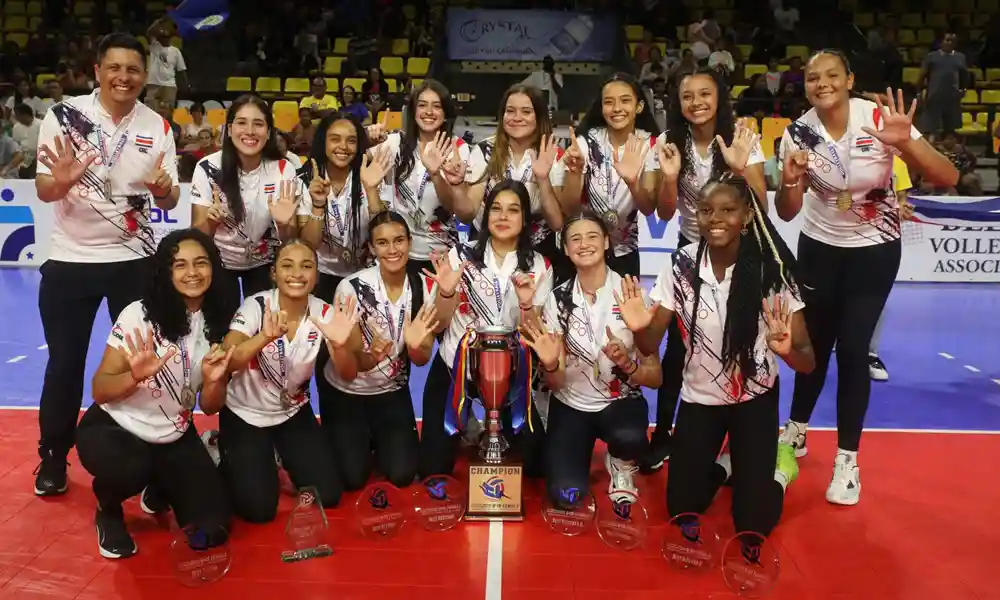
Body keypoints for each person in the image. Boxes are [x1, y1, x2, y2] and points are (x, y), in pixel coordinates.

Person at [775, 50, 958, 506]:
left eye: (832, 75)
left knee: (855, 349)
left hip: (873, 252)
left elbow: (947, 175)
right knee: (810, 347)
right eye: (813, 78)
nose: (822, 84)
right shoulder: (797, 132)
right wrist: (792, 180)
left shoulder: (878, 116)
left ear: (849, 79)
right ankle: (795, 431)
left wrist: (908, 143)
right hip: (818, 249)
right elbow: (786, 210)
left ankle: (847, 462)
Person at [626, 175, 815, 548]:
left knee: (752, 527)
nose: (716, 219)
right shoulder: (680, 265)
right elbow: (649, 344)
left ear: (746, 216)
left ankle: (778, 472)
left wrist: (786, 351)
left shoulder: (772, 272)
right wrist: (638, 327)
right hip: (700, 400)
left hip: (754, 402)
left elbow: (807, 362)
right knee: (681, 509)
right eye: (707, 210)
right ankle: (726, 466)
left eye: (728, 210)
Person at [32, 32, 180, 497]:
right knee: (65, 363)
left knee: (142, 362)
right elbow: (44, 189)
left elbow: (171, 192)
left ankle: (145, 451)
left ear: (144, 76)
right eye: (114, 68)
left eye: (133, 70)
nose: (124, 77)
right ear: (97, 71)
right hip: (71, 258)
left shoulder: (157, 125)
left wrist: (162, 190)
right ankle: (54, 456)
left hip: (134, 260)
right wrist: (59, 182)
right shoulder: (63, 116)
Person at [76, 229, 232, 559]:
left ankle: (161, 485)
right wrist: (133, 377)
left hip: (174, 433)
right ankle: (108, 507)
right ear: (166, 270)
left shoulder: (217, 322)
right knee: (132, 466)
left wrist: (215, 380)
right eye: (180, 265)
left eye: (201, 263)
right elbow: (100, 389)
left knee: (212, 530)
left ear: (213, 268)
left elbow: (209, 405)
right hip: (118, 428)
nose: (192, 273)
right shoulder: (139, 314)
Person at [647, 65, 767, 471]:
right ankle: (664, 432)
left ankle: (738, 438)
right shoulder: (667, 142)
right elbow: (663, 213)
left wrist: (738, 167)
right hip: (690, 252)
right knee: (680, 347)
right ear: (678, 104)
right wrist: (669, 178)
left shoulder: (742, 137)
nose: (696, 103)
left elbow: (762, 205)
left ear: (719, 98)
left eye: (704, 94)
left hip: (738, 252)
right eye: (687, 96)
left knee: (739, 340)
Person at [523, 213, 661, 505]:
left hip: (619, 403)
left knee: (629, 437)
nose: (584, 244)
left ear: (607, 242)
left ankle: (622, 462)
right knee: (565, 497)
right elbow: (557, 382)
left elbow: (656, 378)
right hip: (572, 404)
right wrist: (549, 364)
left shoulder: (631, 294)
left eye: (592, 236)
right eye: (575, 238)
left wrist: (628, 364)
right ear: (565, 248)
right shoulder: (557, 301)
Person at [420, 180, 553, 479]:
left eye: (513, 210)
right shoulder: (459, 257)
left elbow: (533, 332)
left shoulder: (539, 265)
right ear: (485, 215)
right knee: (432, 469)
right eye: (496, 209)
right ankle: (466, 423)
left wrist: (528, 305)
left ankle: (494, 423)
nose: (503, 217)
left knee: (534, 464)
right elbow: (440, 323)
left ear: (525, 220)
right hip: (457, 364)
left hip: (511, 373)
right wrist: (445, 293)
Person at [219, 240, 357, 522]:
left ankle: (281, 457)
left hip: (292, 411)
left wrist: (340, 347)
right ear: (273, 273)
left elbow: (348, 374)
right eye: (287, 266)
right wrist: (264, 338)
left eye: (307, 266)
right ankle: (225, 455)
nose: (297, 274)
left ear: (317, 275)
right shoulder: (256, 306)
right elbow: (229, 360)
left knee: (328, 495)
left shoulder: (324, 313)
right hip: (246, 414)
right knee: (258, 511)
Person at [322, 211, 438, 490]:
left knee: (402, 475)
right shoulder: (351, 288)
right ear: (372, 249)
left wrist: (414, 345)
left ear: (410, 242)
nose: (392, 249)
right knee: (352, 479)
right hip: (347, 392)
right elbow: (350, 368)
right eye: (383, 243)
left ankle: (379, 439)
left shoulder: (424, 287)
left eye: (399, 240)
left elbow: (420, 361)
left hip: (391, 392)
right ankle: (362, 440)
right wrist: (370, 357)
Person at [190, 94, 306, 317]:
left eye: (259, 124)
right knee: (221, 331)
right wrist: (211, 222)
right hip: (220, 263)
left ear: (269, 132)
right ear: (229, 129)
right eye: (242, 123)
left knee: (265, 330)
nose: (250, 131)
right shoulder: (207, 167)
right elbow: (197, 236)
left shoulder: (283, 168)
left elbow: (290, 241)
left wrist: (283, 225)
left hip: (265, 263)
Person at [438, 84, 565, 274]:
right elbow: (467, 214)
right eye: (510, 111)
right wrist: (457, 186)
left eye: (526, 112)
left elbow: (557, 223)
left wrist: (543, 179)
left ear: (538, 117)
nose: (517, 118)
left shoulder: (553, 154)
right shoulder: (484, 150)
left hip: (536, 252)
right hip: (488, 248)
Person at [552, 73, 665, 278]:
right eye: (609, 102)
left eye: (625, 100)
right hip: (584, 246)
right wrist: (575, 174)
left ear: (639, 107)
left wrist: (632, 182)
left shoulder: (650, 145)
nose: (617, 108)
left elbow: (649, 208)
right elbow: (569, 208)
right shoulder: (586, 142)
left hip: (627, 250)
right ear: (601, 108)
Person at [375, 79, 471, 276]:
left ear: (445, 114)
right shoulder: (396, 143)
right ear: (413, 111)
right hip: (399, 253)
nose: (429, 112)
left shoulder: (458, 149)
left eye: (436, 106)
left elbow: (456, 209)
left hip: (442, 253)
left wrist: (436, 175)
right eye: (422, 105)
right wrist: (368, 136)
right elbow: (353, 154)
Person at [869, 156, 914, 382]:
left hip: (883, 240)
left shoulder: (898, 163)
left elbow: (902, 200)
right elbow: (840, 202)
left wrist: (902, 209)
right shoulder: (848, 156)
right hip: (844, 239)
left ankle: (870, 354)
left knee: (877, 298)